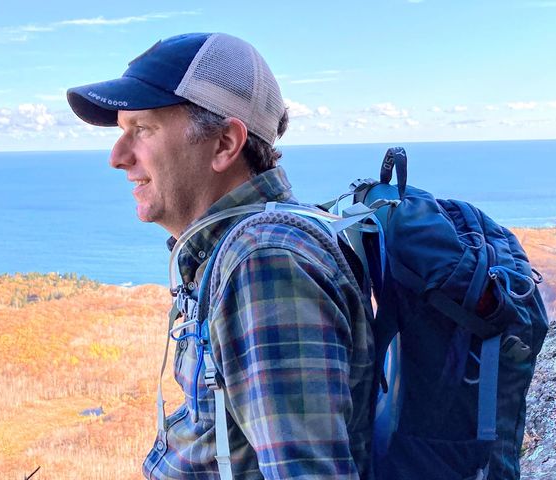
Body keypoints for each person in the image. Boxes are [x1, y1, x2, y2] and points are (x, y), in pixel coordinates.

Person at [67, 32, 375, 480]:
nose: (117, 157)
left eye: (143, 129)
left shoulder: (264, 261)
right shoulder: (233, 250)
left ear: (225, 144)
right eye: (122, 132)